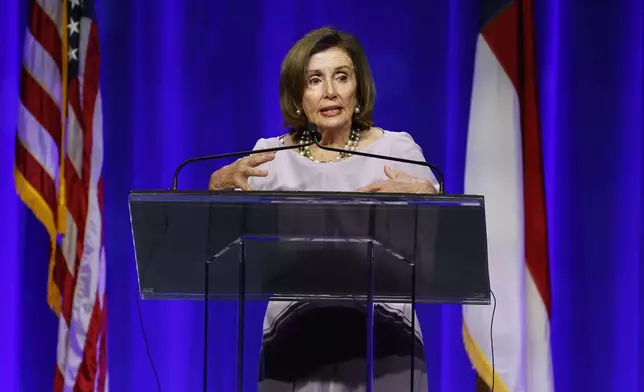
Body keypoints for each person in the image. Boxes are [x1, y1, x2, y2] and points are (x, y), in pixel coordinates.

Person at [209, 26, 438, 392]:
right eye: (315, 79)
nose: (330, 91)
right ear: (299, 96)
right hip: (294, 337)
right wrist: (215, 186)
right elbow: (217, 231)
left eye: (341, 77)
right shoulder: (271, 156)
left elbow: (438, 231)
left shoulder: (396, 151)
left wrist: (429, 198)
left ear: (357, 90)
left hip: (385, 337)